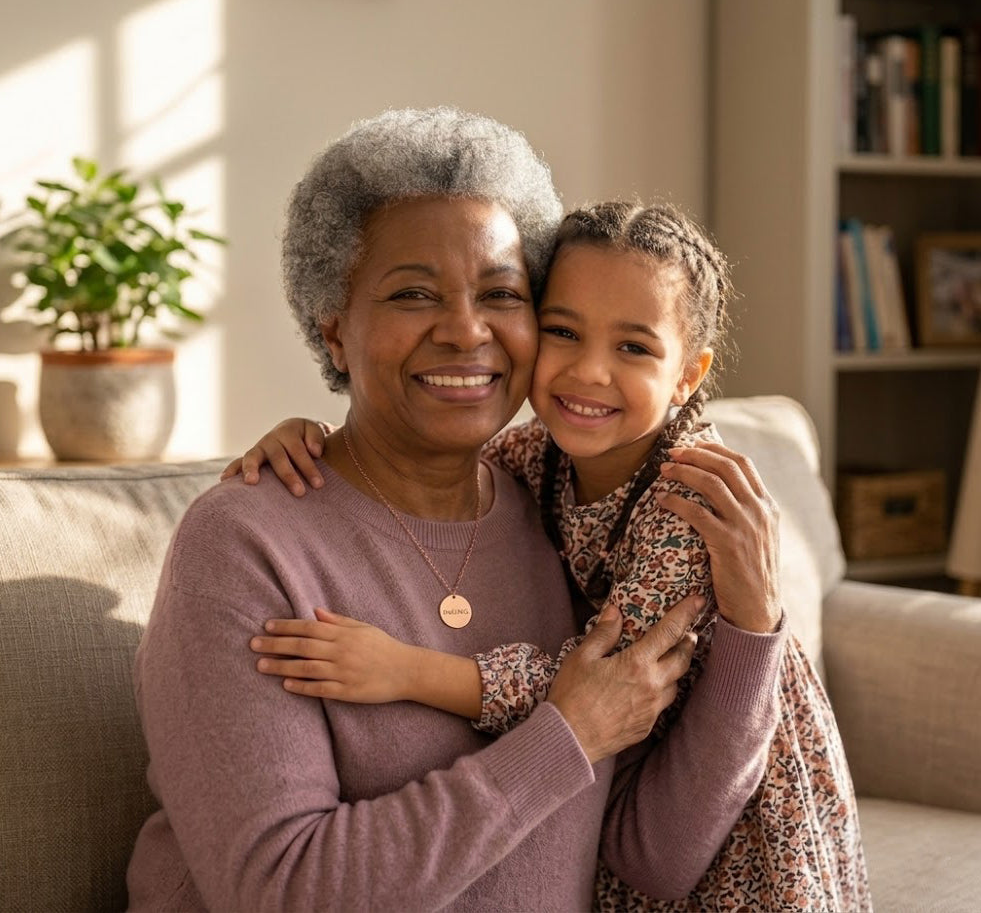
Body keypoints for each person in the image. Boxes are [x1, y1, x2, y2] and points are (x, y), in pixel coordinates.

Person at [127, 107, 788, 912]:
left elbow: (654, 855)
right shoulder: (243, 543)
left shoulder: (554, 515)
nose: (465, 330)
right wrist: (564, 735)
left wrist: (752, 631)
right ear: (333, 329)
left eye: (501, 294)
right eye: (412, 293)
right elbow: (283, 888)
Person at [228, 199, 871, 912]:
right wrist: (312, 433)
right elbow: (412, 454)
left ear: (688, 374)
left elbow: (603, 685)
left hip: (741, 837)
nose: (588, 372)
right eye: (563, 331)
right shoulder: (534, 456)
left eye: (632, 347)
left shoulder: (691, 506)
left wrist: (405, 669)